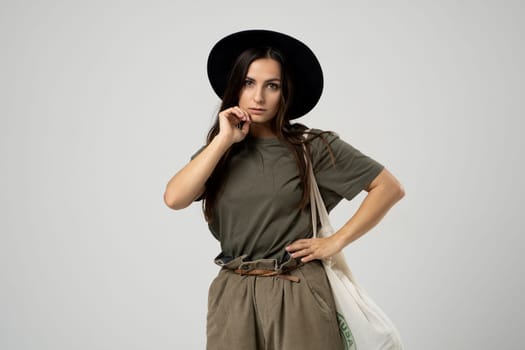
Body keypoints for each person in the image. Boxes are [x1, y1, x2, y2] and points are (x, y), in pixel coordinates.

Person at [164, 29, 405, 350]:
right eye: (249, 83)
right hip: (233, 292)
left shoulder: (312, 147)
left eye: (272, 86)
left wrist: (335, 241)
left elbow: (388, 187)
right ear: (235, 87)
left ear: (285, 92)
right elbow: (174, 198)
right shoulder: (220, 152)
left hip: (298, 288)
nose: (259, 97)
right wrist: (223, 140)